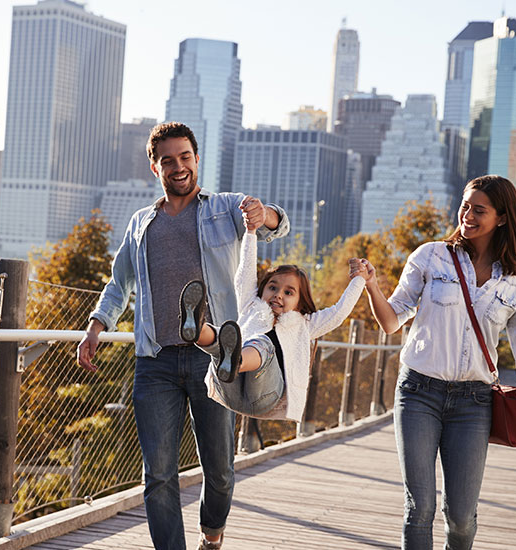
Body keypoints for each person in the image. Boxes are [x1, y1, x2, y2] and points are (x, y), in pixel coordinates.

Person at [77, 122, 289, 550]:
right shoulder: (141, 223)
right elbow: (120, 284)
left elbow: (276, 226)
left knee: (220, 469)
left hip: (212, 358)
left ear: (196, 158)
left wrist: (262, 213)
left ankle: (212, 534)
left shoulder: (224, 208)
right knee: (158, 473)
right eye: (168, 160)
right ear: (154, 166)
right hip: (154, 360)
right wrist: (96, 326)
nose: (178, 167)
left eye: (185, 157)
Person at [360, 175, 516, 549]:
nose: (468, 215)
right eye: (465, 205)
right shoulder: (430, 256)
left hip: (473, 403)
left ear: (502, 218)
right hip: (418, 394)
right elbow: (392, 320)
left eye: (480, 210)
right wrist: (371, 285)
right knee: (420, 507)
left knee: (461, 518)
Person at [178, 215, 370, 421]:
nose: (278, 294)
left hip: (265, 397)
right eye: (273, 287)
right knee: (219, 333)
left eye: (288, 292)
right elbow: (245, 274)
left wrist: (359, 279)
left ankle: (236, 359)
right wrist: (250, 233)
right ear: (263, 290)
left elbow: (338, 313)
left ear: (300, 302)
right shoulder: (251, 306)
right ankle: (197, 330)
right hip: (227, 388)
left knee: (262, 344)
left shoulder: (305, 325)